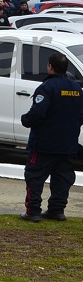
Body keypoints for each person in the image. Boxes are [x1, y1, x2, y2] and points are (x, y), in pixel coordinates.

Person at [19, 52, 83, 222]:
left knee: (34, 176)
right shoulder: (76, 89)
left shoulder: (46, 88)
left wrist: (25, 120)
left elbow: (38, 113)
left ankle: (33, 211)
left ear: (50, 67)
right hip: (68, 144)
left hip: (44, 144)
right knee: (62, 178)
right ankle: (57, 210)